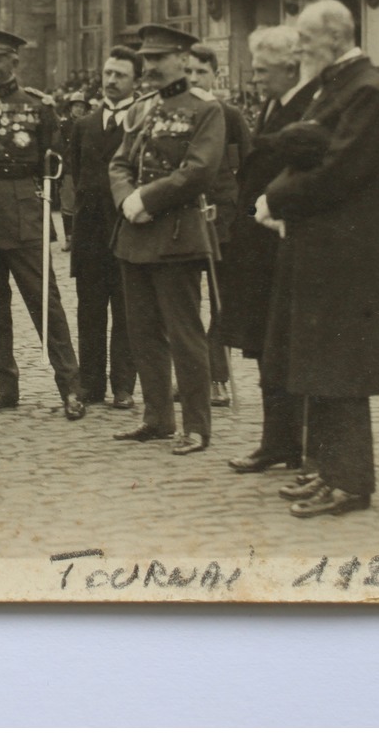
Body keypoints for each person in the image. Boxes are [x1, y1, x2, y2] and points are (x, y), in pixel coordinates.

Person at [257, 0, 379, 517]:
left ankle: (351, 482)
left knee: (342, 368)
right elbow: (306, 151)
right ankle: (328, 471)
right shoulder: (338, 86)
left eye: (307, 39)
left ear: (337, 37)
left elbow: (341, 170)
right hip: (321, 249)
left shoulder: (367, 92)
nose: (299, 48)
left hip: (347, 254)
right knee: (319, 364)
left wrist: (276, 198)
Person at [109, 24, 227, 456]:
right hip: (134, 234)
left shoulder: (205, 109)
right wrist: (126, 199)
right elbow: (119, 163)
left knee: (184, 333)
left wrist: (147, 199)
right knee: (141, 331)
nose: (150, 66)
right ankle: (157, 417)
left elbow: (199, 169)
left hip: (177, 235)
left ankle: (196, 426)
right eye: (147, 59)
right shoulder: (141, 109)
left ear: (183, 59)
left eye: (159, 58)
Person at [0, 28, 84, 420]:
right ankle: (5, 385)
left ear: (15, 62)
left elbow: (55, 165)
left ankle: (71, 388)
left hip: (23, 213)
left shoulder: (38, 107)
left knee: (45, 304)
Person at [225, 24, 318, 474]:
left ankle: (295, 442)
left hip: (286, 240)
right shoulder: (272, 104)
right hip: (259, 244)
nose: (255, 78)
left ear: (290, 66)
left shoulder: (309, 106)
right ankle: (276, 440)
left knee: (289, 345)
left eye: (263, 70)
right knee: (266, 344)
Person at [62, 46, 140, 409]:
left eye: (120, 75)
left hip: (128, 231)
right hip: (91, 233)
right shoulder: (84, 124)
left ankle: (123, 385)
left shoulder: (141, 122)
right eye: (108, 73)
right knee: (90, 310)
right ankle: (91, 384)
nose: (111, 80)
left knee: (127, 311)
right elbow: (78, 176)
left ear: (136, 81)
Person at [186, 41, 250, 409]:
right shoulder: (174, 114)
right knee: (184, 304)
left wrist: (247, 218)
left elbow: (252, 169)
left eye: (201, 72)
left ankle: (217, 377)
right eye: (189, 72)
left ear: (215, 75)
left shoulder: (230, 116)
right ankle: (192, 377)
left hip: (223, 222)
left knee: (220, 304)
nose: (195, 79)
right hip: (183, 221)